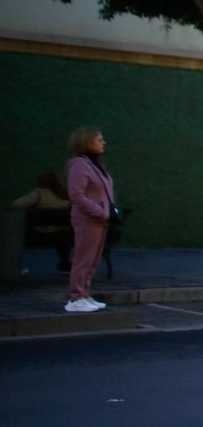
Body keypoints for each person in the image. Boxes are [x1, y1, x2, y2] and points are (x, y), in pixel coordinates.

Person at [63, 127, 115, 313]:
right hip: (88, 219)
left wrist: (106, 213)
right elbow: (76, 195)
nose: (103, 143)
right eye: (99, 140)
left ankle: (84, 294)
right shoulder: (79, 165)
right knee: (83, 259)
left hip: (100, 220)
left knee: (92, 260)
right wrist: (100, 212)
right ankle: (76, 298)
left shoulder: (96, 164)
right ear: (87, 142)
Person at [12, 172, 72, 273]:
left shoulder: (39, 194)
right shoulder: (65, 197)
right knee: (64, 234)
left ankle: (15, 264)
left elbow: (17, 204)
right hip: (61, 235)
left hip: (38, 234)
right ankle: (65, 263)